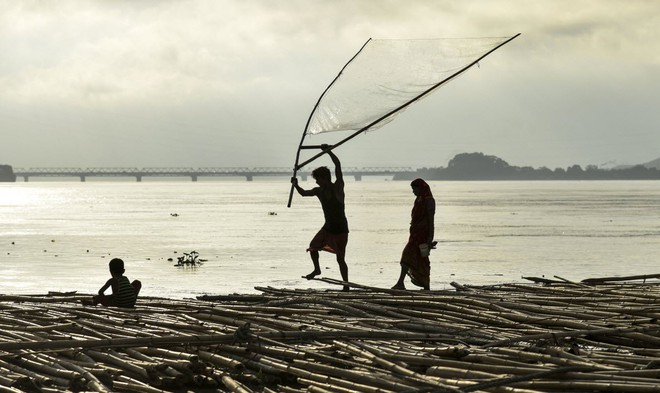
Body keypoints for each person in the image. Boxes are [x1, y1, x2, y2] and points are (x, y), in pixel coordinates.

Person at [291, 145, 350, 291]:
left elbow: (337, 165)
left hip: (340, 228)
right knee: (313, 247)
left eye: (318, 179)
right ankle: (317, 269)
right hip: (328, 227)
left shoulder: (338, 187)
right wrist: (296, 185)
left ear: (324, 178)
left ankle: (346, 285)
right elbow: (304, 193)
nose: (316, 182)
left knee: (340, 259)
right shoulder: (319, 191)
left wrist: (328, 151)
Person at [392, 178, 436, 291]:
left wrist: (430, 237)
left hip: (422, 235)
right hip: (415, 234)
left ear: (420, 188)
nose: (413, 191)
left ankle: (402, 283)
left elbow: (431, 220)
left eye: (414, 189)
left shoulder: (429, 200)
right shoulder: (418, 200)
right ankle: (404, 283)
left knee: (414, 257)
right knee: (415, 258)